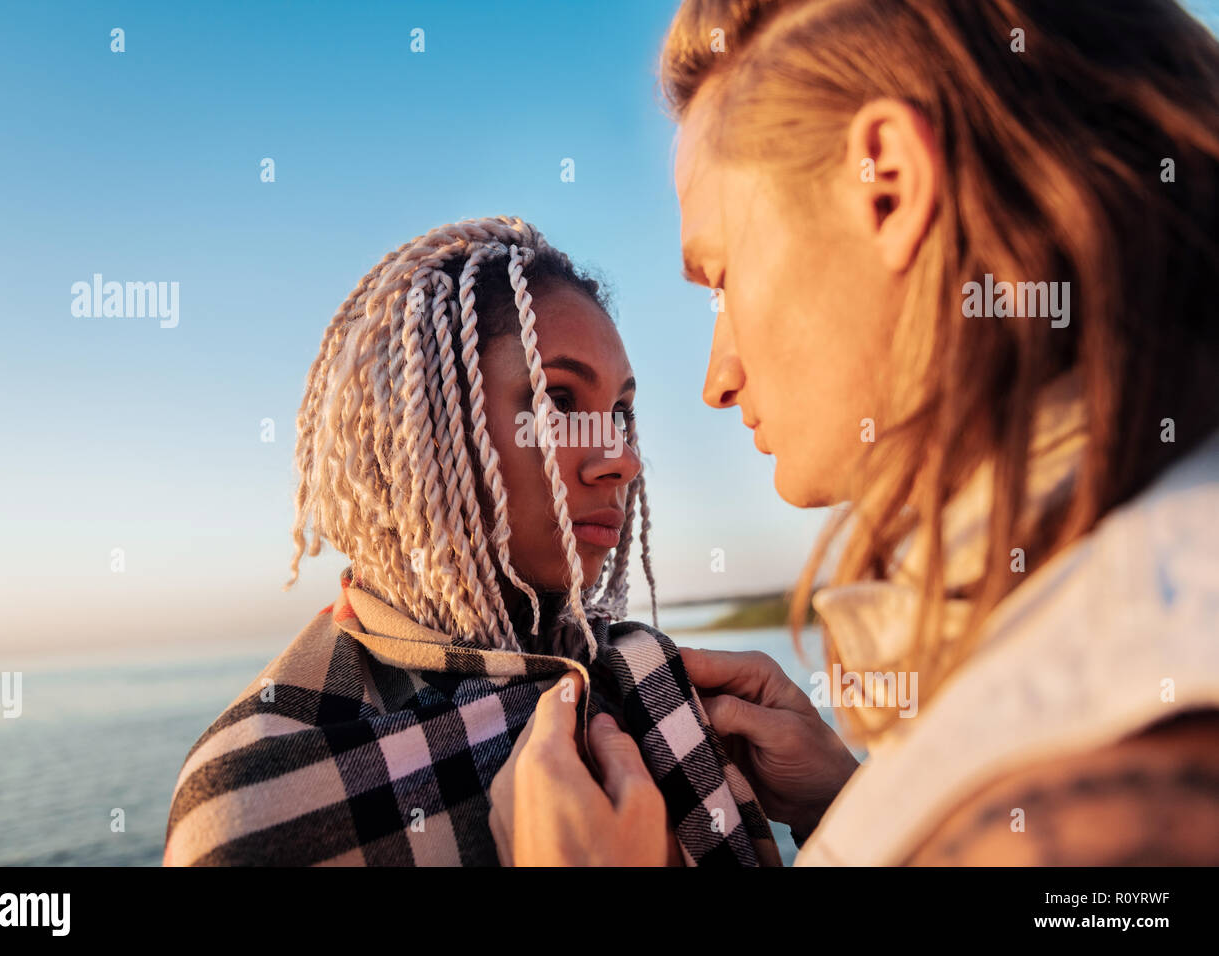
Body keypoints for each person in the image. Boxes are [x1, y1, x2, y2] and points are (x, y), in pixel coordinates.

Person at [488, 0, 1219, 865]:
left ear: (891, 188)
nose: (718, 380)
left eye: (721, 282)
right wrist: (860, 802)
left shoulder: (1112, 789)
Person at [162, 216, 779, 866]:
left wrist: (834, 804)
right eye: (558, 402)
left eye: (621, 413)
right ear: (422, 434)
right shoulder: (256, 793)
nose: (621, 459)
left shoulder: (647, 678)